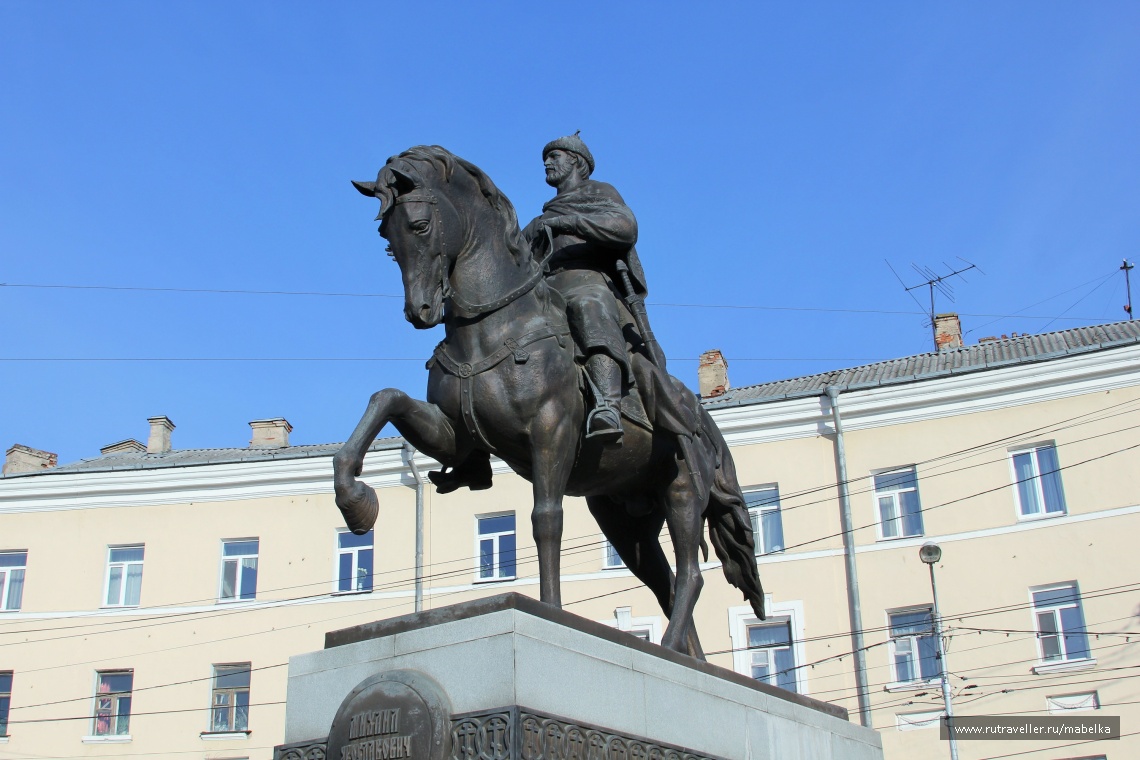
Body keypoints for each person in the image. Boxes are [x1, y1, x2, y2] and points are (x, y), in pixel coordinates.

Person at [522, 133, 650, 443]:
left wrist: (568, 222)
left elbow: (625, 227)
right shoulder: (542, 218)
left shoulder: (600, 193)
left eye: (555, 156)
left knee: (588, 304)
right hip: (544, 290)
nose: (547, 162)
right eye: (546, 157)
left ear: (576, 161)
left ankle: (607, 405)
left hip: (586, 279)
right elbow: (511, 256)